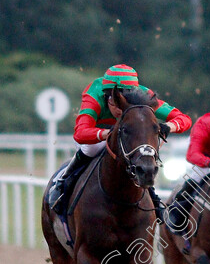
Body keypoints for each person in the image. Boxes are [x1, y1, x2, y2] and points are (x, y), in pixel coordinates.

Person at [47, 64, 192, 217]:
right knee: (90, 149)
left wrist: (168, 126)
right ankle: (64, 183)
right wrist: (109, 133)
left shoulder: (145, 97)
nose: (120, 109)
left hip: (129, 133)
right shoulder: (94, 95)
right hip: (99, 131)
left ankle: (153, 198)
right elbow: (80, 133)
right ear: (107, 96)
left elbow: (184, 119)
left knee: (141, 157)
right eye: (116, 102)